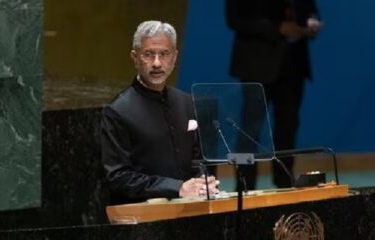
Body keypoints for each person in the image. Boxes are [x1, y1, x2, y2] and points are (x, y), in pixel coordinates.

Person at [101, 20, 219, 204]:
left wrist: (202, 182)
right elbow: (119, 177)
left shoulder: (186, 102)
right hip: (143, 216)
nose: (157, 63)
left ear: (174, 57)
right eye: (148, 54)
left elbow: (197, 159)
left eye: (164, 54)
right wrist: (177, 188)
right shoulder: (118, 111)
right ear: (134, 57)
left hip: (189, 209)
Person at [226, 0, 322, 189]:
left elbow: (310, 9)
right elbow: (234, 20)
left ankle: (285, 182)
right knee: (248, 131)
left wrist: (311, 21)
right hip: (256, 64)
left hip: (293, 66)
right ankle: (243, 185)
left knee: (288, 128)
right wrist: (277, 28)